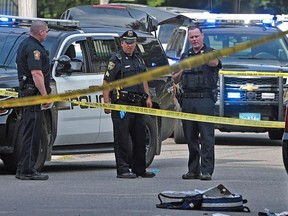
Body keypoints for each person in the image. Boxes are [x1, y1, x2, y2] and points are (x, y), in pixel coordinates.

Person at [103, 30, 155, 179]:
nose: (130, 46)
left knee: (140, 138)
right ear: (122, 43)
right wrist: (107, 103)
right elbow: (106, 83)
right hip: (122, 105)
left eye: (132, 43)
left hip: (138, 103)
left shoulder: (138, 59)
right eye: (127, 43)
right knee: (122, 139)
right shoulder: (116, 60)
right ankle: (123, 169)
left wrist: (148, 97)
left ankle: (140, 169)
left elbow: (143, 78)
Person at [172, 25, 222, 181]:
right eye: (191, 37)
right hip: (188, 99)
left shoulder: (210, 52)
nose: (194, 40)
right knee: (190, 137)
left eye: (196, 36)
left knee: (207, 138)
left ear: (202, 36)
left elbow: (215, 63)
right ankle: (193, 170)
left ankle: (206, 171)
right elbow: (175, 78)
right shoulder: (186, 55)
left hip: (205, 99)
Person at [15, 20, 51, 180]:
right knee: (32, 134)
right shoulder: (34, 48)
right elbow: (36, 73)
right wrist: (45, 95)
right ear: (41, 32)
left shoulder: (24, 43)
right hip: (33, 96)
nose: (47, 34)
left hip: (27, 95)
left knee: (28, 133)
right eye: (47, 31)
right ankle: (27, 170)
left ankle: (23, 168)